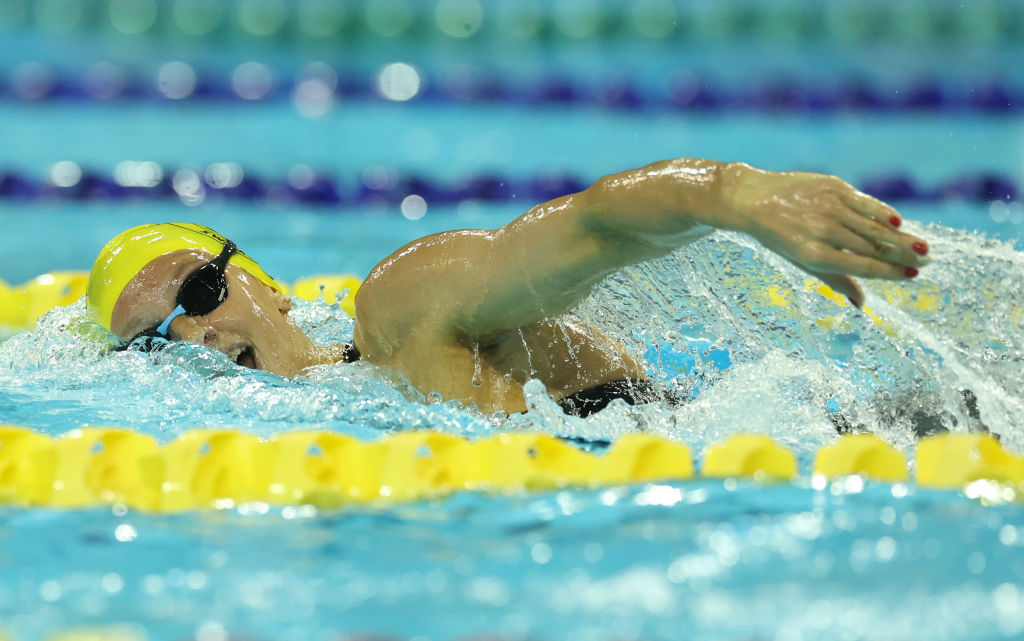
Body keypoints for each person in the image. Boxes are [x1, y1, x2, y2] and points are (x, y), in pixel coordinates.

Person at [87, 158, 930, 417]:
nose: (191, 335)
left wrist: (738, 198)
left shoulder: (399, 312)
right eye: (151, 341)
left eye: (197, 292)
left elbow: (590, 224)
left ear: (266, 287)